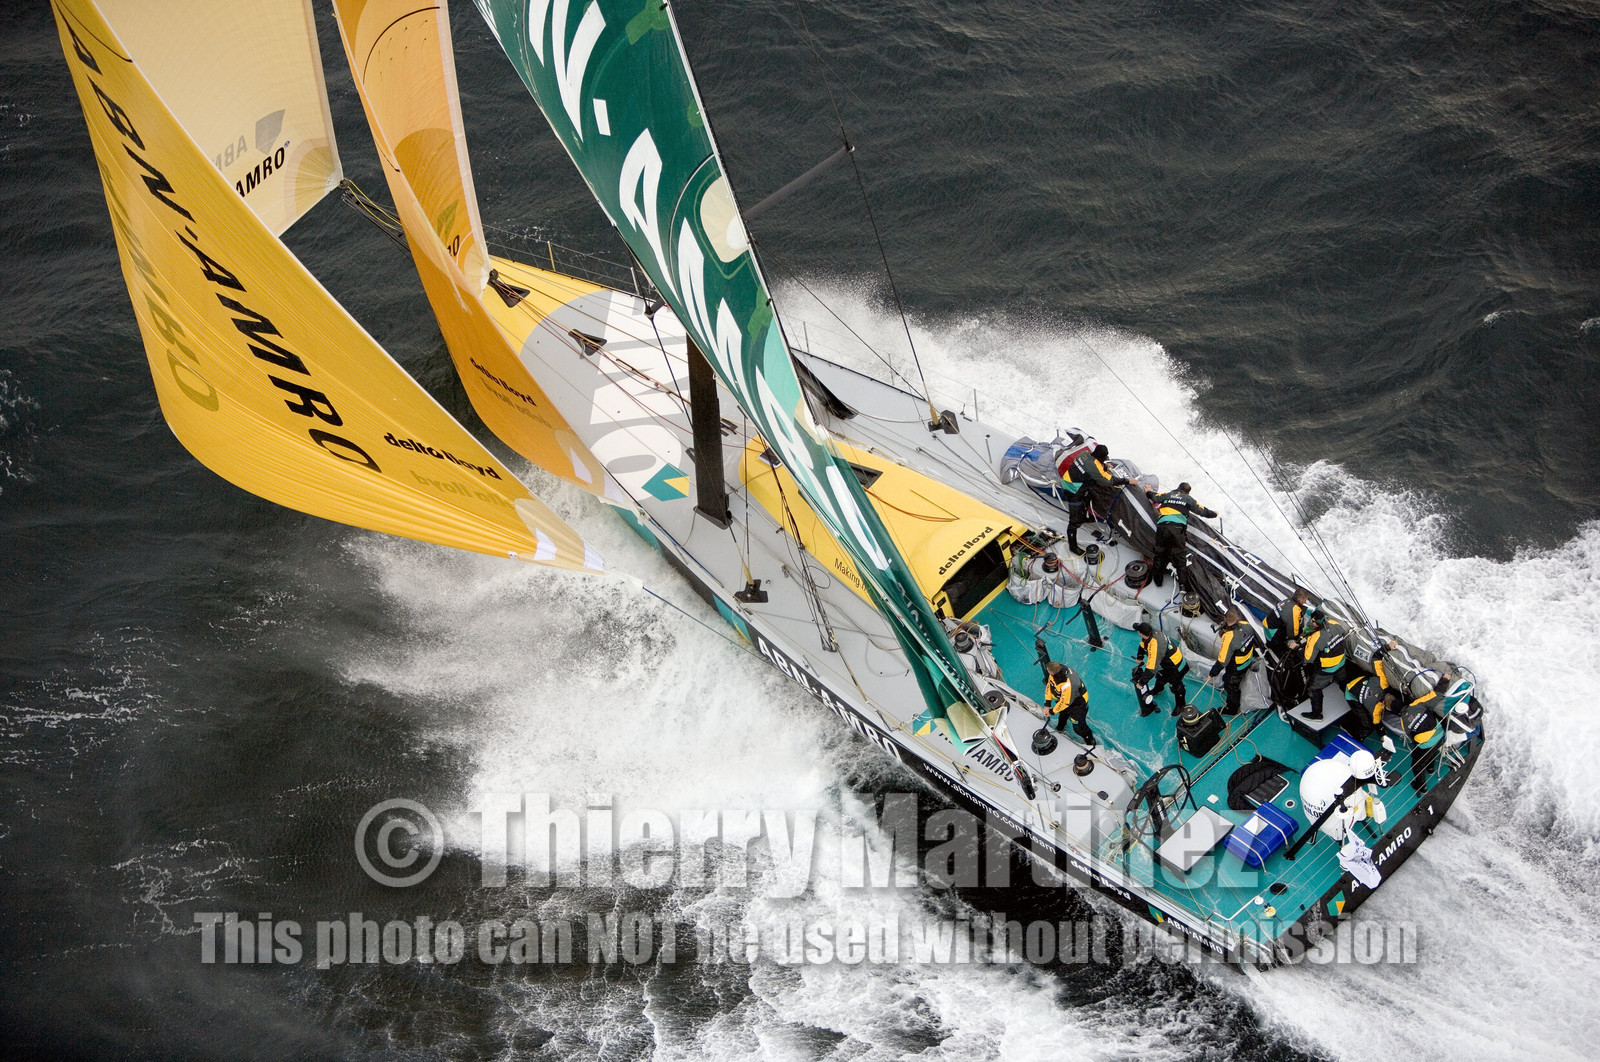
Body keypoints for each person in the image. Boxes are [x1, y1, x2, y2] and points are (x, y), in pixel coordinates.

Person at [1060, 444, 1134, 555]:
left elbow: (1091, 467)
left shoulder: (1084, 454)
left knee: (1087, 497)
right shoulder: (1094, 466)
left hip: (1067, 481)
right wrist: (1128, 481)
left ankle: (1083, 518)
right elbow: (1108, 481)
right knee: (1073, 522)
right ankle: (1072, 546)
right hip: (1073, 491)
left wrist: (1104, 467)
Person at [1144, 482, 1216, 589]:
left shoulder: (1167, 494)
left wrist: (1148, 490)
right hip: (1177, 529)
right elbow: (1202, 511)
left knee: (1159, 553)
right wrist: (1214, 514)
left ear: (1177, 488)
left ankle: (1158, 581)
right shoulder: (1189, 499)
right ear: (1188, 492)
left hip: (1162, 527)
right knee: (1180, 557)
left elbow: (1154, 497)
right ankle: (1182, 585)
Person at [1207, 608, 1257, 715]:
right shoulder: (1247, 625)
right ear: (1237, 617)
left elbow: (1222, 660)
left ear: (1226, 620)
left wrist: (1212, 673)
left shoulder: (1228, 637)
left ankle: (1232, 709)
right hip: (1248, 661)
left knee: (1230, 686)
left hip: (1236, 668)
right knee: (1232, 681)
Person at [1132, 621, 1188, 717]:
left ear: (1141, 633)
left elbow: (1151, 668)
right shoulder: (1150, 634)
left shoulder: (1155, 645)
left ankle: (1181, 704)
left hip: (1174, 664)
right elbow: (1142, 646)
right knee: (1161, 675)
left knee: (1176, 685)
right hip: (1164, 662)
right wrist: (1140, 657)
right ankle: (1159, 688)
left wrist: (1141, 683)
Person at [1299, 611, 1348, 719]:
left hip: (1327, 670)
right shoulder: (1334, 623)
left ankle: (1316, 714)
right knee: (1343, 682)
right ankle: (1352, 699)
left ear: (1315, 623)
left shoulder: (1316, 637)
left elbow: (1308, 659)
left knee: (1313, 688)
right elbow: (1342, 632)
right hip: (1342, 662)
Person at [1043, 660, 1095, 745]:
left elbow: (1065, 703)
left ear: (1051, 672)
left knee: (1078, 727)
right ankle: (1060, 729)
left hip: (1078, 703)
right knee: (1062, 714)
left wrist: (1051, 712)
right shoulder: (1054, 672)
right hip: (1065, 699)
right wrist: (1047, 705)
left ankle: (1090, 740)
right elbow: (1050, 687)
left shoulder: (1067, 684)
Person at [1264, 588, 1314, 656]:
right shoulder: (1295, 610)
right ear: (1300, 599)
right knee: (1292, 641)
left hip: (1267, 624)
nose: (1305, 602)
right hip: (1272, 634)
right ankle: (1279, 651)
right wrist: (1298, 640)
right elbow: (1293, 632)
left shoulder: (1288, 600)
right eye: (1305, 600)